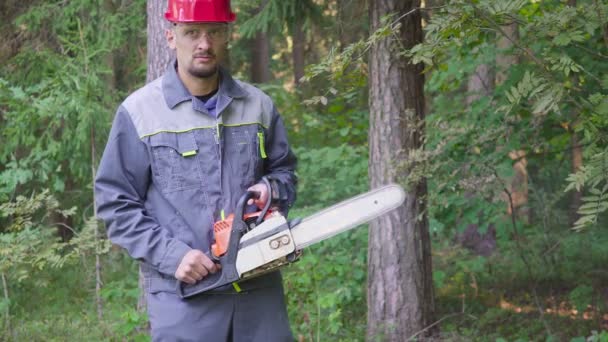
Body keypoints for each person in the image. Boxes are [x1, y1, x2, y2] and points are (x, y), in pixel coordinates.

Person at [94, 0, 297, 340]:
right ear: (171, 37)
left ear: (226, 35)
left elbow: (284, 172)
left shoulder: (258, 106)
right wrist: (173, 256)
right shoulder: (140, 112)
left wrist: (271, 191)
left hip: (259, 294)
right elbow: (116, 205)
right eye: (192, 33)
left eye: (214, 32)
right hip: (185, 299)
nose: (204, 44)